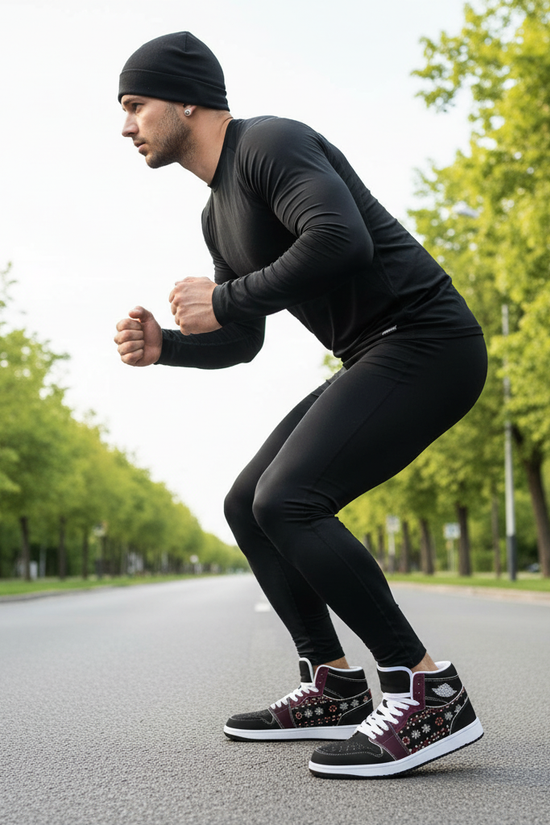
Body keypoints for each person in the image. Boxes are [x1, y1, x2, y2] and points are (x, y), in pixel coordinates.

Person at [114, 31, 487, 779]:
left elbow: (341, 240)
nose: (126, 126)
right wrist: (169, 347)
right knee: (248, 503)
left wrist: (224, 298)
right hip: (376, 352)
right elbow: (243, 339)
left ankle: (428, 691)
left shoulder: (270, 144)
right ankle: (334, 685)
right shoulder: (217, 214)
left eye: (135, 104)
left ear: (187, 100)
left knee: (290, 498)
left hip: (427, 340)